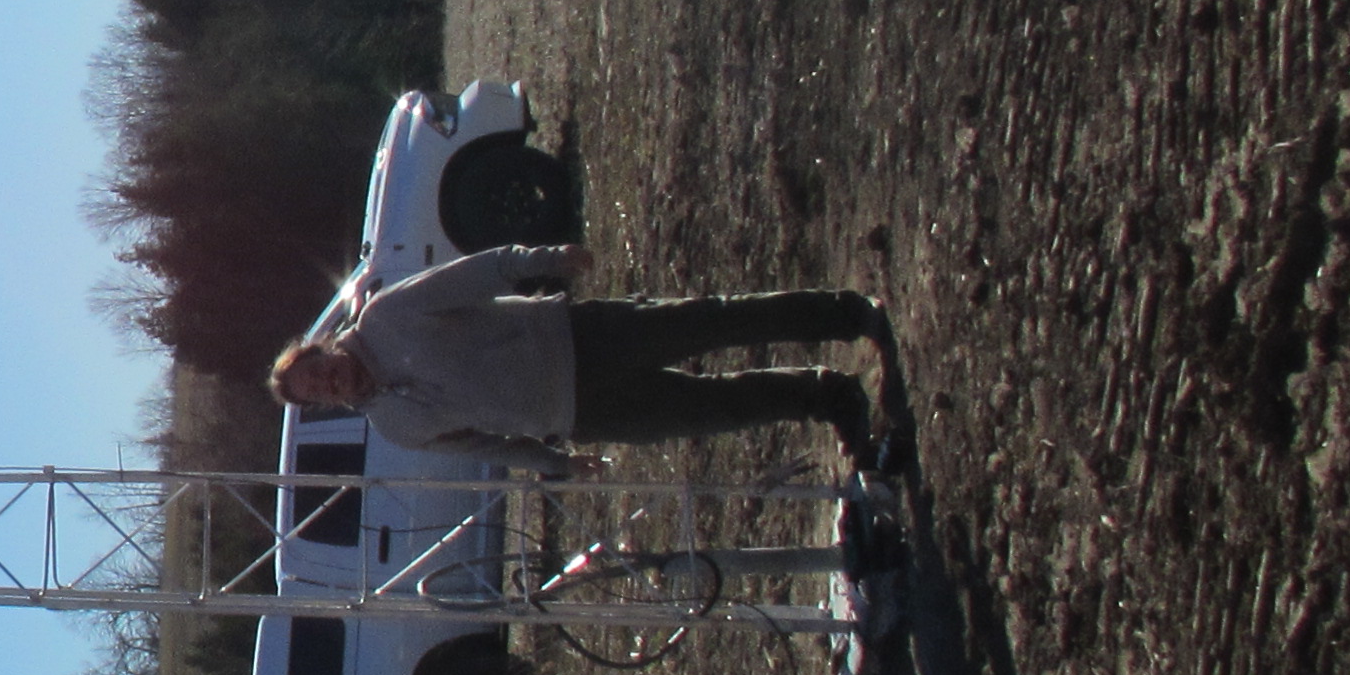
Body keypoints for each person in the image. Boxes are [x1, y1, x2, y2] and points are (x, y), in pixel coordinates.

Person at [269, 242, 902, 473]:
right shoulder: (395, 428)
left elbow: (473, 274)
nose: (329, 384)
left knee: (718, 320)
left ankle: (847, 314)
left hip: (577, 337)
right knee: (714, 409)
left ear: (322, 350)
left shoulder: (387, 315)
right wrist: (555, 462)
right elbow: (484, 446)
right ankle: (832, 397)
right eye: (319, 393)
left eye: (317, 371)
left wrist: (540, 261)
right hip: (580, 413)